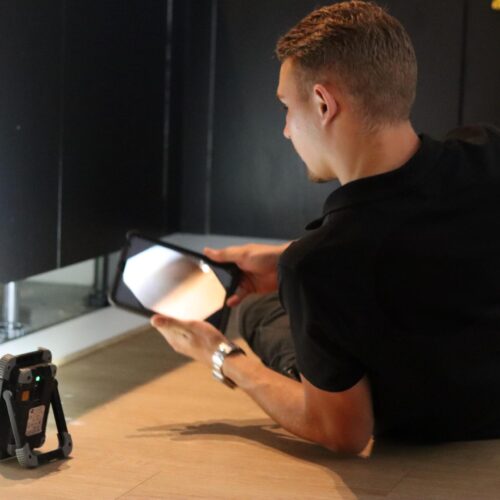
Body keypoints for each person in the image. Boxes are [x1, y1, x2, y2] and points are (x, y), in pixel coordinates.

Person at [151, 0, 500, 454]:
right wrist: (283, 258)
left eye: (286, 107)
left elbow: (343, 433)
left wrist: (221, 355)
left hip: (426, 435)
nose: (286, 130)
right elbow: (419, 234)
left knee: (255, 311)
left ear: (323, 104)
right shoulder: (487, 150)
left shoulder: (318, 266)